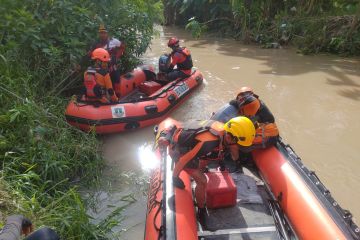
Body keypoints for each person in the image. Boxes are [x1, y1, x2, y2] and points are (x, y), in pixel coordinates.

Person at [157, 117, 255, 227]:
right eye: (236, 143)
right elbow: (184, 159)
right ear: (229, 136)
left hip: (192, 142)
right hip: (179, 150)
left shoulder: (222, 130)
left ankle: (199, 171)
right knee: (202, 181)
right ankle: (201, 210)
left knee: (207, 160)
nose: (236, 146)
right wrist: (175, 177)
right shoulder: (209, 143)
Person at [229, 86, 279, 151]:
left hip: (269, 136)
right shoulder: (256, 102)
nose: (242, 98)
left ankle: (241, 159)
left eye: (244, 96)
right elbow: (233, 102)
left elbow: (247, 121)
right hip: (266, 128)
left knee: (242, 146)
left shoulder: (252, 106)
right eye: (240, 97)